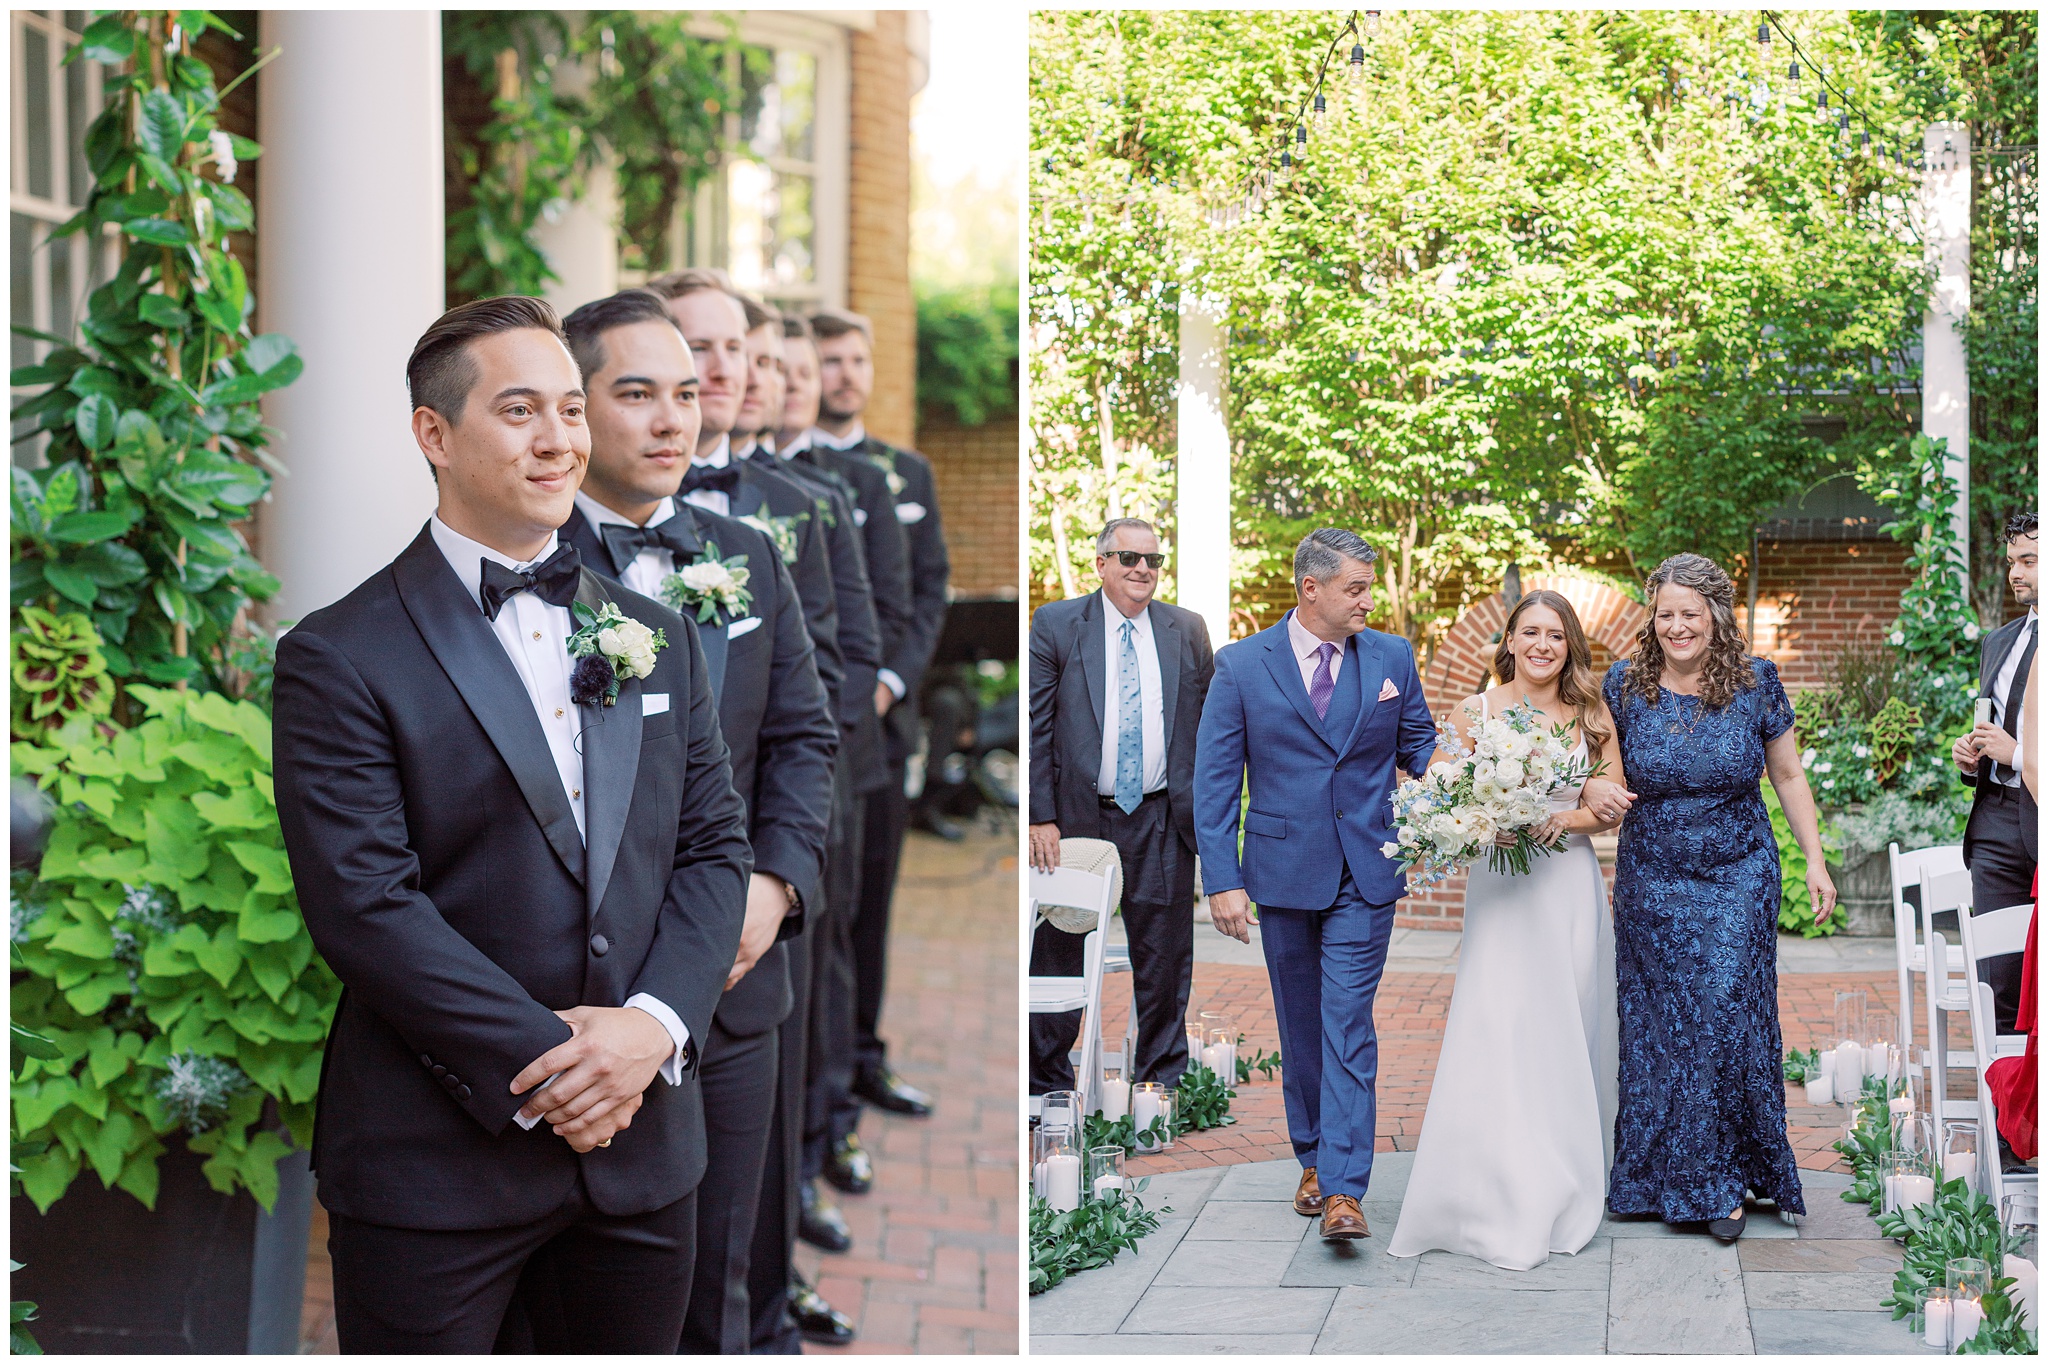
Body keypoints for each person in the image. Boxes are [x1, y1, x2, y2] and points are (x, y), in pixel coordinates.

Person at [271, 296, 751, 1351]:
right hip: (434, 1164)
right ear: (433, 435)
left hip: (642, 1152)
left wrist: (651, 1031)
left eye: (571, 411)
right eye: (520, 410)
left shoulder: (652, 634)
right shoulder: (338, 656)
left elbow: (714, 844)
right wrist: (559, 1071)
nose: (558, 441)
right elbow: (365, 907)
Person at [553, 289, 838, 1354]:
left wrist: (774, 884)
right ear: (575, 408)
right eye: (639, 395)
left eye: (686, 393)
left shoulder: (749, 555)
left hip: (735, 976)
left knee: (725, 1266)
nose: (677, 418)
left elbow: (804, 739)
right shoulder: (529, 571)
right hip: (583, 1003)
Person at [647, 272, 872, 1344]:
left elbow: (813, 700)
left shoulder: (781, 527)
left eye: (731, 348)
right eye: (696, 348)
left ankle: (768, 1311)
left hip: (746, 918)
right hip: (618, 956)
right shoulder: (566, 552)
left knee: (744, 1201)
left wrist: (777, 877)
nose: (720, 370)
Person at [1193, 528, 1438, 1240]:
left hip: (1366, 870)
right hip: (1281, 872)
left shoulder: (1391, 655)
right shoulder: (1241, 665)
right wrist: (1223, 879)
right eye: (1356, 588)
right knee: (1301, 1029)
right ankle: (1313, 1155)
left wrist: (1463, 781)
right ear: (1312, 588)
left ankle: (1345, 1191)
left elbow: (1417, 743)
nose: (1369, 600)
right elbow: (1215, 783)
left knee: (1347, 1022)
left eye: (1369, 587)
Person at [1388, 591, 1630, 1270]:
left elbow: (1610, 798)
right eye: (1532, 632)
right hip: (1500, 886)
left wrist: (1565, 819)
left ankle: (1563, 1176)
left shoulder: (1589, 712)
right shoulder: (1476, 711)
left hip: (1566, 885)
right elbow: (1444, 791)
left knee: (1564, 1025)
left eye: (1556, 634)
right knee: (1495, 1023)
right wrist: (1475, 817)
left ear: (1569, 644)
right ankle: (1484, 1183)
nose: (1544, 644)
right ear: (1511, 640)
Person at [1601, 552, 1834, 1242]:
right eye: (1665, 613)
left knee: (1722, 1014)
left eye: (1689, 614)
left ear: (1715, 616)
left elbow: (1788, 775)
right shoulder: (1623, 684)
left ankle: (1719, 1182)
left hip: (1738, 873)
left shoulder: (1757, 681)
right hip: (1651, 880)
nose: (1677, 626)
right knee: (1659, 1026)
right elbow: (1593, 768)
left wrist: (1815, 860)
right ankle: (1650, 1180)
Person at [809, 307, 950, 1124]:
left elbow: (930, 591)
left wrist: (891, 682)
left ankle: (864, 1054)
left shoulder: (905, 474)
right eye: (830, 359)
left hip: (882, 725)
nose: (845, 373)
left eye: (857, 359)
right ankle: (825, 1075)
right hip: (810, 719)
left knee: (871, 903)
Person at [1027, 518, 1214, 1095]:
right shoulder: (1057, 624)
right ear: (1101, 562)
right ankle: (1047, 1085)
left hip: (1160, 817)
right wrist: (1039, 816)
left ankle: (1160, 1085)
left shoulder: (1187, 629)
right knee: (1059, 950)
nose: (1142, 569)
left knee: (1164, 958)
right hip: (1077, 822)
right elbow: (1035, 725)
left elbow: (1210, 728)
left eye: (1153, 560)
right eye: (1128, 558)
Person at [1952, 511, 2037, 1031]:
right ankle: (2004, 1110)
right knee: (1997, 979)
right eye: (2012, 562)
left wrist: (2017, 752)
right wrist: (1974, 753)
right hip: (1997, 824)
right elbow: (1992, 726)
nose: (2015, 572)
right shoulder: (1998, 642)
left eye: (2029, 560)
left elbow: (2018, 743)